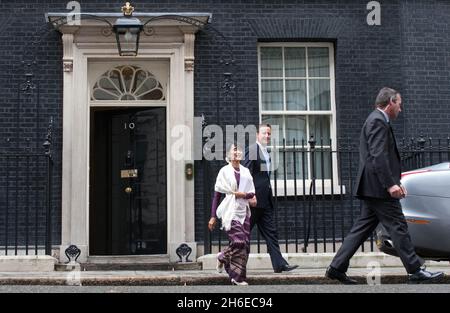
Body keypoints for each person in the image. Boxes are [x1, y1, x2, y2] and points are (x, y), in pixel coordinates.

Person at [325, 87, 444, 284]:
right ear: (390, 103)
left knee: (361, 229)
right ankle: (415, 270)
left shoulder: (377, 120)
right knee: (398, 226)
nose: (400, 108)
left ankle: (336, 267)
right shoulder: (378, 121)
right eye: (399, 104)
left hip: (373, 187)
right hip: (379, 189)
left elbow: (380, 157)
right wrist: (390, 185)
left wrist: (395, 182)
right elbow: (378, 156)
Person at [242, 124, 298, 273]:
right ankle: (230, 260)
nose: (267, 136)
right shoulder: (253, 150)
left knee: (271, 233)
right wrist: (250, 195)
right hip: (254, 201)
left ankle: (279, 264)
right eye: (264, 133)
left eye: (269, 134)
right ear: (257, 135)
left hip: (265, 201)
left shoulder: (266, 152)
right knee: (243, 233)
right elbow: (246, 174)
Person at [208, 144, 257, 286]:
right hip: (230, 211)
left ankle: (237, 278)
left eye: (239, 150)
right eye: (234, 149)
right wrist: (213, 216)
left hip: (244, 211)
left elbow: (252, 192)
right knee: (239, 242)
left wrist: (244, 195)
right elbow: (217, 196)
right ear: (228, 155)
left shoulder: (246, 171)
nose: (237, 152)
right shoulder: (224, 171)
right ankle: (222, 256)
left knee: (245, 246)